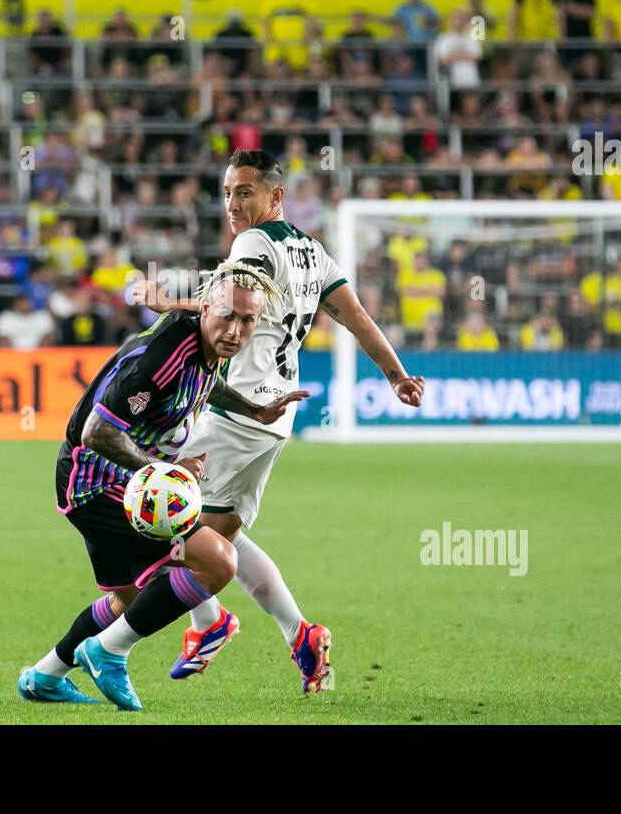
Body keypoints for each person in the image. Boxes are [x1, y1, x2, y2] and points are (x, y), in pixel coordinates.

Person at [131, 149, 425, 693]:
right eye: (226, 192)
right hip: (275, 416)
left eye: (245, 192)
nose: (233, 204)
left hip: (234, 408)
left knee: (158, 512)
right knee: (220, 535)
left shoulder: (252, 244)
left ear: (276, 197)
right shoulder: (314, 252)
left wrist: (164, 302)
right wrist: (396, 375)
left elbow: (236, 307)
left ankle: (207, 623)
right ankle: (300, 634)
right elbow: (355, 316)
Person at [19, 262, 303, 711]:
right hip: (93, 481)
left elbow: (206, 386)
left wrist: (255, 410)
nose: (235, 330)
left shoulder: (204, 345)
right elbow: (98, 433)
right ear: (206, 308)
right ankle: (111, 651)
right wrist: (164, 471)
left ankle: (43, 677)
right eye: (227, 316)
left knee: (127, 600)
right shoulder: (163, 356)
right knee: (217, 562)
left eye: (247, 320)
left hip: (111, 480)